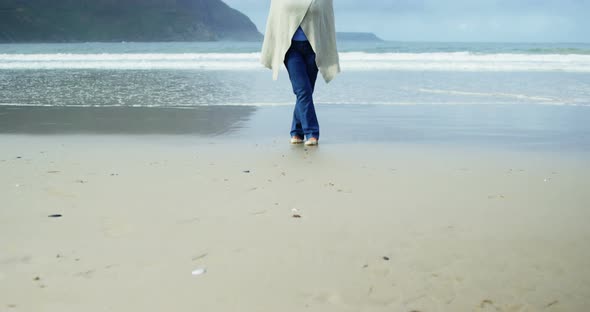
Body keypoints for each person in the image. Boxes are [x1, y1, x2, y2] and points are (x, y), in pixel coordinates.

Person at [261, 0, 340, 146]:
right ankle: (312, 133)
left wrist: (328, 48)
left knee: (306, 91)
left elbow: (327, 23)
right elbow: (274, 22)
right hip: (291, 49)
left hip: (314, 49)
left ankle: (297, 132)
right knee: (303, 90)